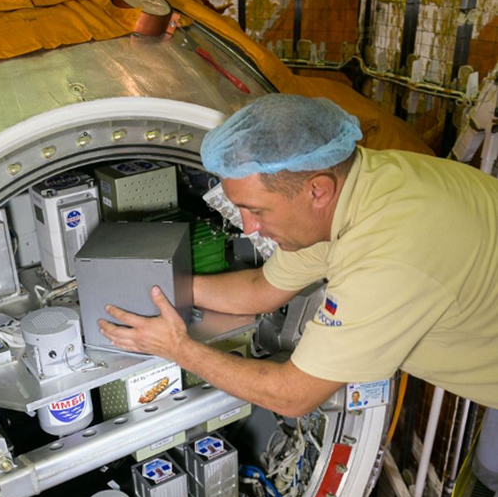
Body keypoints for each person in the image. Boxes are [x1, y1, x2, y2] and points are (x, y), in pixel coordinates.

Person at [98, 94, 498, 416]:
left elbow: (292, 396)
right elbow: (260, 289)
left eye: (257, 210)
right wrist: (156, 286)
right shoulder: (361, 186)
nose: (249, 227)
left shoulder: (388, 257)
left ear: (317, 191)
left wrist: (178, 349)